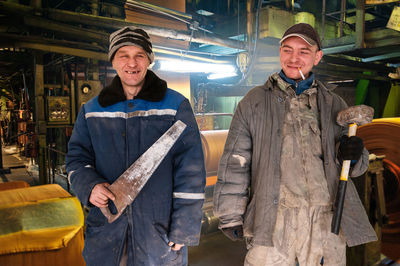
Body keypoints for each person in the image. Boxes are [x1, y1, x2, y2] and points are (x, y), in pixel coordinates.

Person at [213, 23, 377, 266]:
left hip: (325, 216)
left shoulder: (335, 103)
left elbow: (356, 166)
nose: (294, 58)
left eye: (303, 51)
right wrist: (230, 214)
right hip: (273, 216)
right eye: (287, 50)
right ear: (280, 52)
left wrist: (353, 155)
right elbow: (235, 161)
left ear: (317, 57)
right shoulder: (254, 102)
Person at [66, 27, 206, 266]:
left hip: (157, 234)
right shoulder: (92, 110)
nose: (132, 63)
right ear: (113, 60)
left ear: (149, 60)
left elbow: (191, 170)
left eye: (139, 55)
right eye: (124, 55)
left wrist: (184, 226)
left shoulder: (175, 106)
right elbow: (76, 160)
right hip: (107, 235)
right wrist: (89, 187)